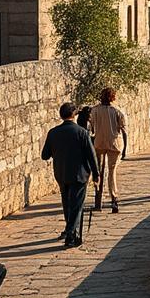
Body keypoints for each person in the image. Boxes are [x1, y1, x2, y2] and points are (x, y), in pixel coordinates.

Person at [40, 102, 100, 247]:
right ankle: (70, 234)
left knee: (67, 204)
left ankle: (72, 232)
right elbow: (91, 155)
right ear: (74, 114)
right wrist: (96, 174)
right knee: (76, 205)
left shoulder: (53, 133)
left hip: (61, 174)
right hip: (79, 174)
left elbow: (45, 155)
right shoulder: (82, 132)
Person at [88, 87, 128, 214]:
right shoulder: (117, 111)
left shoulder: (94, 110)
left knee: (97, 171)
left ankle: (98, 198)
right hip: (114, 144)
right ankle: (114, 198)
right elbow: (123, 130)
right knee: (112, 172)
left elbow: (91, 128)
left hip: (99, 143)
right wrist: (125, 148)